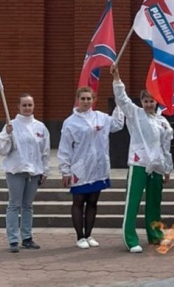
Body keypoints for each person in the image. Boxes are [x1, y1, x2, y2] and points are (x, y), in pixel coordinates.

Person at [111, 65, 174, 254]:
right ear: (141, 102)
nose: (148, 104)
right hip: (139, 163)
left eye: (151, 101)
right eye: (146, 101)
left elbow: (165, 147)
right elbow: (122, 99)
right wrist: (117, 78)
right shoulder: (135, 114)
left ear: (156, 102)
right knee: (133, 202)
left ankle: (155, 235)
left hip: (157, 166)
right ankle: (131, 240)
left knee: (154, 203)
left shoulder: (162, 121)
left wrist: (167, 169)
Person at [57, 86, 124, 249]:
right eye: (83, 99)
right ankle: (80, 237)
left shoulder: (101, 117)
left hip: (98, 167)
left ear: (93, 100)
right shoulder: (70, 122)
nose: (86, 102)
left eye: (89, 99)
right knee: (79, 201)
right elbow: (64, 148)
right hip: (80, 168)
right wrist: (65, 170)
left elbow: (117, 124)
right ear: (77, 100)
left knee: (93, 201)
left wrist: (119, 105)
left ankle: (88, 234)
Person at [0, 94, 50, 253]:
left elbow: (45, 151)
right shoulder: (11, 125)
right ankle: (13, 239)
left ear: (33, 106)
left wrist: (45, 170)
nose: (27, 108)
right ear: (18, 106)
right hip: (16, 170)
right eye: (24, 105)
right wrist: (6, 134)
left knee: (28, 205)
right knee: (14, 204)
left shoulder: (40, 127)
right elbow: (2, 150)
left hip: (34, 172)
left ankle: (27, 237)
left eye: (29, 105)